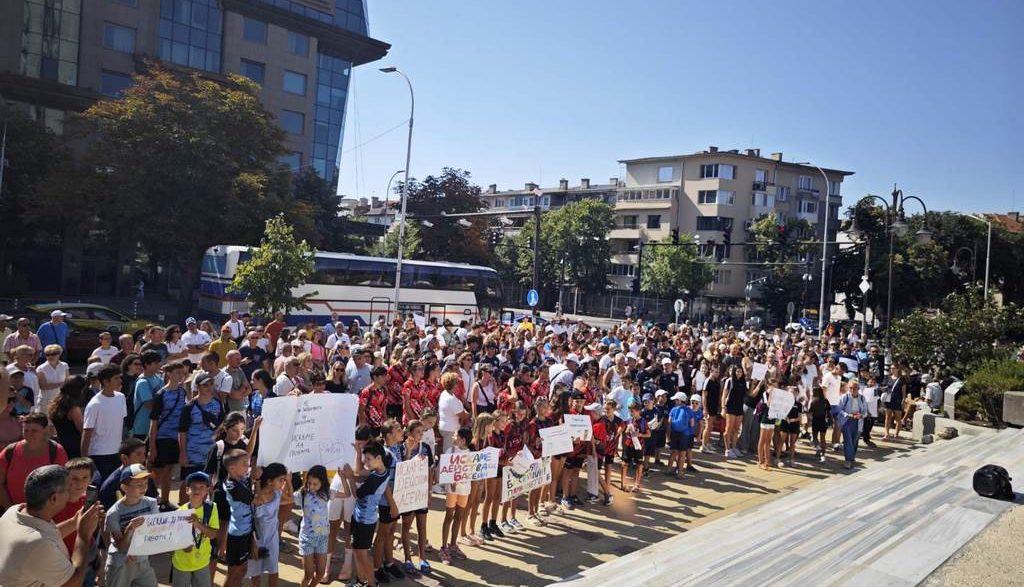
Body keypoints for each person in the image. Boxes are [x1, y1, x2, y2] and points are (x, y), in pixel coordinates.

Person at [0, 464, 104, 587]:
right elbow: (74, 584)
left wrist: (74, 522)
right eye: (68, 489)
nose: (72, 491)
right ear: (54, 498)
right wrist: (83, 535)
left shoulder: (14, 511)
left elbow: (47, 535)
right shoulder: (38, 544)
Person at [340, 441, 395, 587]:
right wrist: (358, 453)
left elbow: (357, 494)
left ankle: (372, 584)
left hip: (365, 522)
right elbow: (362, 475)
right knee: (357, 550)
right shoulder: (381, 471)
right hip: (360, 517)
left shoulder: (374, 478)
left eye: (369, 459)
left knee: (363, 554)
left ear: (379, 458)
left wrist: (350, 477)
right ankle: (361, 580)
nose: (366, 463)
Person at [105, 464, 160, 587]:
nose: (144, 487)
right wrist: (129, 529)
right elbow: (121, 547)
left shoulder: (151, 503)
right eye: (139, 485)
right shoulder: (113, 513)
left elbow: (156, 532)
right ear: (124, 487)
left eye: (146, 483)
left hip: (142, 560)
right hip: (121, 563)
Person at [0, 412, 69, 509]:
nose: (29, 434)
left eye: (34, 431)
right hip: (13, 511)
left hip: (45, 512)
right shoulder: (10, 451)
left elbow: (63, 484)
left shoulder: (56, 451)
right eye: (26, 430)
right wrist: (11, 509)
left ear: (45, 430)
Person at [148, 361, 189, 511]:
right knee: (157, 472)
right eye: (177, 373)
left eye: (182, 373)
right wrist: (152, 447)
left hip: (176, 437)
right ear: (169, 374)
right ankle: (150, 501)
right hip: (162, 437)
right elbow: (153, 422)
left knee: (169, 470)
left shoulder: (183, 392)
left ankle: (164, 501)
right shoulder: (161, 394)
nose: (181, 376)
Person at [178, 373, 224, 505]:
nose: (209, 387)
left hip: (211, 452)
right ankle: (182, 509)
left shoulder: (218, 404)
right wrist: (183, 453)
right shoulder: (189, 407)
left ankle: (205, 510)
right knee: (188, 483)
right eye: (205, 385)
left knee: (209, 483)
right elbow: (182, 432)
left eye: (211, 384)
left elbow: (222, 427)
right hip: (193, 453)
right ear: (198, 387)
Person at [170, 471, 219, 587]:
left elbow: (213, 534)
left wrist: (198, 524)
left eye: (202, 487)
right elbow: (173, 540)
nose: (197, 490)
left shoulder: (212, 508)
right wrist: (183, 545)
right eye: (194, 487)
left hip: (202, 562)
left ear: (207, 491)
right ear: (187, 490)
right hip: (182, 563)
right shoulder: (179, 513)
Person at [82, 365, 128, 481]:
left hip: (117, 453)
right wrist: (84, 460)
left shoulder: (121, 397)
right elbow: (87, 433)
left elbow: (121, 424)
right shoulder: (95, 404)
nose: (120, 381)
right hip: (99, 455)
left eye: (120, 377)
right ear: (106, 382)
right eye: (116, 378)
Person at [247, 462, 288, 587]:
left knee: (273, 570)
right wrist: (257, 480)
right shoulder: (256, 497)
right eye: (281, 480)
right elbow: (259, 501)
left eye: (284, 480)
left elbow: (290, 499)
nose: (283, 483)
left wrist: (289, 481)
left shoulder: (278, 494)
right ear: (270, 482)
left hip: (272, 538)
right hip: (257, 539)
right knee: (255, 572)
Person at [222, 449, 256, 587]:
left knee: (243, 569)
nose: (248, 466)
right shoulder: (232, 486)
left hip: (247, 531)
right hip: (238, 534)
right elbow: (257, 500)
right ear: (232, 468)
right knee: (233, 572)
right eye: (245, 464)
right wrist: (259, 481)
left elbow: (249, 451)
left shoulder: (241, 477)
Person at [439, 427, 472, 564]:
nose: (453, 438)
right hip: (452, 490)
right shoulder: (450, 451)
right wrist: (450, 480)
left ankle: (453, 545)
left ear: (463, 440)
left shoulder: (471, 453)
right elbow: (445, 469)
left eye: (455, 436)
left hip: (464, 489)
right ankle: (443, 547)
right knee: (449, 516)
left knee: (459, 516)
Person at [295, 465, 331, 587]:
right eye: (309, 483)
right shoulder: (302, 494)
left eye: (315, 484)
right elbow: (289, 497)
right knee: (308, 575)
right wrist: (288, 481)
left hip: (322, 538)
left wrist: (343, 477)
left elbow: (346, 494)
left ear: (323, 483)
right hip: (307, 539)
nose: (311, 486)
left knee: (320, 573)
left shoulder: (327, 494)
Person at [99, 437, 158, 509]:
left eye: (144, 454)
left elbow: (155, 500)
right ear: (124, 458)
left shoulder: (145, 475)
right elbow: (107, 512)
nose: (143, 458)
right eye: (138, 454)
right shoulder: (111, 485)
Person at [49, 376, 87, 460]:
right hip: (74, 446)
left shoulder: (55, 405)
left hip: (61, 443)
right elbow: (82, 430)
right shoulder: (74, 409)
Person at [131, 351, 163, 440]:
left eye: (159, 363)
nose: (159, 365)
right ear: (146, 364)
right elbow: (149, 405)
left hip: (156, 428)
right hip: (142, 429)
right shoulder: (142, 382)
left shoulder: (158, 379)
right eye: (155, 363)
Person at [837, 380, 868, 469]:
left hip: (858, 421)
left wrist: (862, 415)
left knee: (855, 440)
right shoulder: (844, 397)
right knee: (848, 441)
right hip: (847, 421)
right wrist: (848, 415)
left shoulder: (862, 398)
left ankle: (851, 457)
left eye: (855, 388)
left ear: (858, 388)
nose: (853, 389)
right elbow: (839, 409)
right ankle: (848, 460)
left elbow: (865, 411)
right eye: (850, 388)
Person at [36, 344, 69, 411]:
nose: (50, 356)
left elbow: (67, 382)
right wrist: (61, 384)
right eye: (47, 354)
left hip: (61, 400)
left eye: (53, 354)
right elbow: (43, 386)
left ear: (59, 354)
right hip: (46, 401)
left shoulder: (65, 365)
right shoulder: (41, 368)